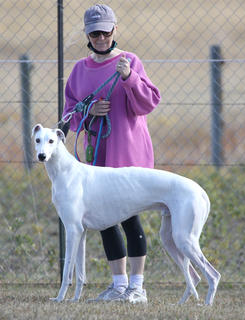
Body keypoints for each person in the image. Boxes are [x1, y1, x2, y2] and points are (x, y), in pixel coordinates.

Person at [62, 4, 160, 303]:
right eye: (95, 33)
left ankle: (137, 288)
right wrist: (89, 110)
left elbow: (147, 103)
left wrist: (130, 77)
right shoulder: (80, 70)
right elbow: (69, 113)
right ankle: (118, 286)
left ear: (114, 30)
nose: (101, 38)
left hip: (128, 152)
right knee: (104, 220)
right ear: (87, 35)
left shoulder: (130, 61)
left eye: (105, 31)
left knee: (130, 217)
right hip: (98, 154)